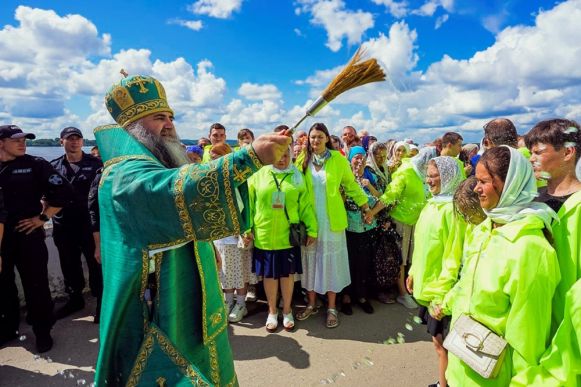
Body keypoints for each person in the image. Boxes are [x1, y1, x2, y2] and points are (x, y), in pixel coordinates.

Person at [94, 74, 290, 385]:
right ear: (132, 127)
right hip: (158, 308)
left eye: (170, 116)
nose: (170, 124)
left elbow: (187, 184)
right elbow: (173, 191)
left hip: (192, 295)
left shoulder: (159, 160)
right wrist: (248, 158)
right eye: (160, 117)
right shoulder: (123, 174)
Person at [438, 146, 560, 386]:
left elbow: (529, 339)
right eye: (476, 180)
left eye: (484, 181)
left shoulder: (530, 248)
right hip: (460, 366)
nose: (476, 188)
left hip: (493, 376)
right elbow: (467, 284)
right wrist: (448, 301)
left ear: (510, 185)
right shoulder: (484, 228)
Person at [0, 125, 73, 353]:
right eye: (16, 140)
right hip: (2, 238)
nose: (23, 144)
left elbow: (64, 193)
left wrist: (43, 217)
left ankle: (43, 333)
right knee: (3, 287)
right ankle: (8, 329)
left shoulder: (36, 164)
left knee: (36, 286)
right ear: (1, 142)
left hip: (28, 235)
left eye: (25, 140)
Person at [296, 123, 369, 329]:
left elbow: (350, 185)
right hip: (309, 221)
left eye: (320, 137)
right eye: (312, 137)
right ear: (308, 140)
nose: (316, 141)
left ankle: (331, 307)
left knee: (330, 264)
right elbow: (296, 189)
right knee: (310, 263)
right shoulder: (303, 160)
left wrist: (365, 206)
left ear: (327, 138)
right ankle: (311, 304)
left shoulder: (338, 159)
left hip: (332, 222)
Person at [406, 156, 465, 387]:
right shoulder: (432, 204)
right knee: (438, 342)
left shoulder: (452, 210)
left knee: (443, 344)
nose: (428, 181)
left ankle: (444, 384)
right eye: (427, 176)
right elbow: (420, 244)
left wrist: (442, 295)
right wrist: (412, 272)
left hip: (441, 290)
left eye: (434, 176)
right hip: (427, 283)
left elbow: (454, 255)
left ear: (449, 177)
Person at [248, 143, 317, 332]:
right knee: (269, 275)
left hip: (288, 235)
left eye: (286, 155)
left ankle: (287, 310)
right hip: (265, 233)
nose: (282, 159)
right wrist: (247, 228)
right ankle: (272, 311)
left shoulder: (297, 176)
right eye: (278, 155)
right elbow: (250, 203)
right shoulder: (259, 174)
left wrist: (312, 229)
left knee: (287, 275)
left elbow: (305, 206)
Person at [525, 118, 581, 333]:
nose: (531, 159)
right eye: (531, 153)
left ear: (568, 152)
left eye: (538, 153)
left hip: (570, 326)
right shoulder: (532, 200)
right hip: (535, 320)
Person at [367, 147, 437, 309]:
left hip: (417, 221)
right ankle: (402, 294)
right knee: (401, 258)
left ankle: (410, 288)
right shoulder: (406, 171)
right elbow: (390, 195)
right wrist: (372, 212)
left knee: (413, 257)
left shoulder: (423, 172)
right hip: (402, 221)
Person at [50, 127, 103, 322]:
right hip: (64, 226)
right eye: (69, 139)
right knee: (69, 264)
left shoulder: (97, 164)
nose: (74, 142)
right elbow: (46, 195)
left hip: (90, 226)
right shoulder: (53, 167)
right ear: (61, 142)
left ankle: (101, 302)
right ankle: (75, 299)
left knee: (96, 265)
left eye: (78, 138)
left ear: (82, 141)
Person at [342, 146, 381, 315]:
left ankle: (362, 296)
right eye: (356, 157)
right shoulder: (344, 177)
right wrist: (351, 184)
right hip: (349, 227)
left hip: (368, 226)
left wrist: (368, 185)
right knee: (348, 263)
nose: (359, 160)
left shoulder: (371, 175)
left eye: (362, 157)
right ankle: (346, 297)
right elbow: (339, 200)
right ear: (350, 159)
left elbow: (382, 197)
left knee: (364, 263)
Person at [365, 142, 402, 304]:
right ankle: (377, 291)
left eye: (383, 156)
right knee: (376, 257)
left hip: (385, 216)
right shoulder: (368, 170)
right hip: (374, 217)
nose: (381, 159)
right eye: (377, 156)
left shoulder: (385, 169)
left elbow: (388, 193)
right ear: (372, 156)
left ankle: (384, 288)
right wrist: (384, 199)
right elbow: (377, 195)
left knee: (385, 256)